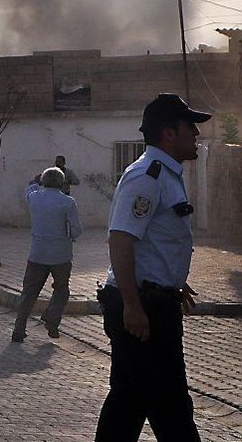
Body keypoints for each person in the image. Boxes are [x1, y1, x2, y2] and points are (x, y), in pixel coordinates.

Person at [95, 93, 207, 442]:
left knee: (129, 402)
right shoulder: (148, 175)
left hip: (155, 300)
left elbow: (155, 241)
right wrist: (132, 304)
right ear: (169, 133)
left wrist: (173, 281)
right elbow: (121, 239)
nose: (197, 135)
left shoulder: (167, 174)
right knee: (170, 406)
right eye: (190, 126)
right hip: (145, 308)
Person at [11, 167, 82, 342]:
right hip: (61, 255)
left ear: (43, 181)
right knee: (61, 290)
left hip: (38, 253)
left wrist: (36, 180)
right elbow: (76, 229)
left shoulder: (34, 198)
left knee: (29, 292)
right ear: (62, 182)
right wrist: (70, 237)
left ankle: (19, 328)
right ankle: (52, 318)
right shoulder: (68, 202)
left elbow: (29, 188)